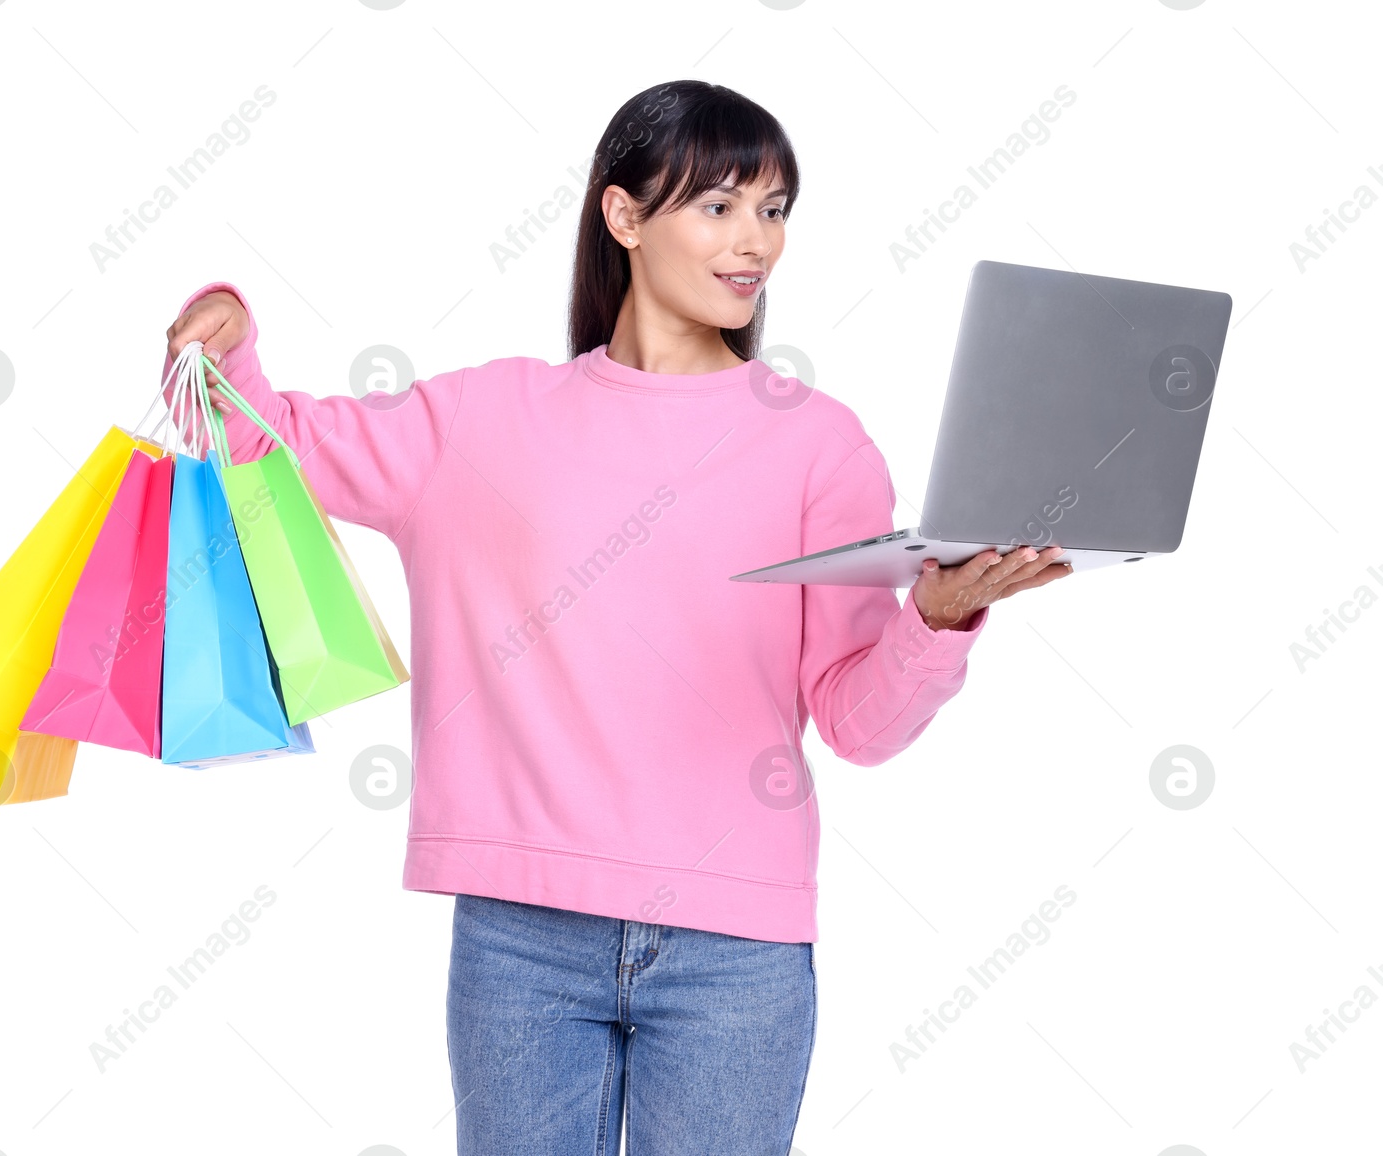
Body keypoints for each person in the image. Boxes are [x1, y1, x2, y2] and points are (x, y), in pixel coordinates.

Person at [162, 78, 1070, 1156]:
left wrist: (934, 616)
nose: (755, 243)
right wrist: (224, 334)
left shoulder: (820, 446)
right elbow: (257, 439)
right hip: (520, 936)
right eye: (720, 206)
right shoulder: (483, 423)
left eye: (775, 209)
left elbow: (859, 726)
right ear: (624, 216)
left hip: (737, 950)